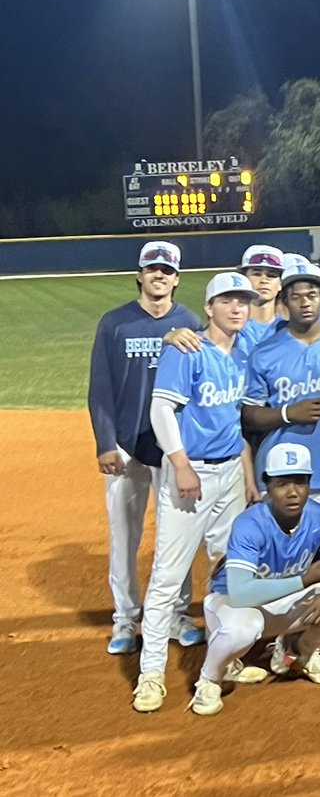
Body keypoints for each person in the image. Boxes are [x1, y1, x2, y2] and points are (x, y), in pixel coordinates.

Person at [132, 272, 259, 713]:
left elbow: (235, 420)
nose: (237, 308)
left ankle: (225, 657)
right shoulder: (187, 349)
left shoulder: (244, 348)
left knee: (227, 570)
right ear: (209, 308)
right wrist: (181, 464)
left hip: (228, 476)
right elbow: (161, 408)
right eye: (227, 301)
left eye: (243, 300)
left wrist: (245, 472)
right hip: (192, 474)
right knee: (169, 575)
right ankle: (150, 675)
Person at [188, 443, 320, 715]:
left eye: (300, 482)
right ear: (268, 486)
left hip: (284, 602)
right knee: (243, 629)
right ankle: (210, 679)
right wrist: (304, 580)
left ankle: (300, 652)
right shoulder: (250, 524)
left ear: (310, 483)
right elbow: (240, 594)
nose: (292, 492)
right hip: (232, 604)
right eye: (282, 483)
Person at [88, 241, 203, 655]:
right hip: (125, 446)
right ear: (139, 275)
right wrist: (105, 443)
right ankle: (124, 620)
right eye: (152, 269)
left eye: (167, 271)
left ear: (176, 278)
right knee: (124, 536)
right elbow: (100, 390)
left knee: (179, 536)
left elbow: (196, 391)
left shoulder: (190, 322)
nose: (160, 276)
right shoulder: (115, 323)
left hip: (171, 448)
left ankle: (176, 613)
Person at [242, 262, 320, 520]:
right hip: (278, 475)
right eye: (296, 297)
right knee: (281, 556)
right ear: (285, 303)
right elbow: (249, 415)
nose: (305, 303)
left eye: (311, 295)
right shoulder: (264, 353)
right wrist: (288, 413)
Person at [237, 244, 286, 348]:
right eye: (257, 274)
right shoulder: (230, 326)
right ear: (244, 280)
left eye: (271, 275)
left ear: (280, 284)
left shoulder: (289, 329)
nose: (264, 280)